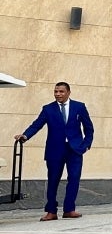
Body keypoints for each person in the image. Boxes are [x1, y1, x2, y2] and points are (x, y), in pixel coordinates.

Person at [15, 82, 94, 221]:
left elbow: (89, 128)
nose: (58, 94)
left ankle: (69, 209)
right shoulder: (48, 109)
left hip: (75, 150)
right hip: (55, 150)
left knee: (74, 179)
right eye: (56, 91)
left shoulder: (79, 107)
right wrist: (25, 135)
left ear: (68, 92)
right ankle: (51, 211)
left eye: (61, 91)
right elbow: (37, 124)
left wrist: (86, 145)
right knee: (52, 180)